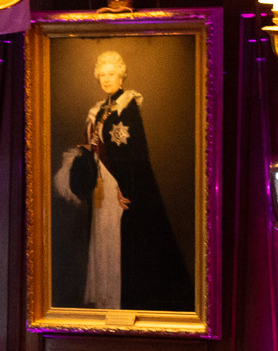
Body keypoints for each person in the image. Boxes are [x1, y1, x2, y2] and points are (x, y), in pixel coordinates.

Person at [54, 50, 193, 312]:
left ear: (121, 76)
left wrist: (123, 186)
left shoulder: (128, 106)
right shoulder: (98, 109)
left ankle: (120, 299)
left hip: (119, 185)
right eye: (103, 75)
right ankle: (105, 297)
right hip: (100, 185)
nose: (107, 79)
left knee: (120, 241)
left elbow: (134, 155)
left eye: (112, 74)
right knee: (102, 239)